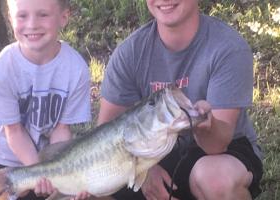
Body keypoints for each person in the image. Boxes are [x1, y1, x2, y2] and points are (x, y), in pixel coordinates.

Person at [98, 0, 263, 199]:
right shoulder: (130, 52)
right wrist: (145, 169)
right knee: (92, 188)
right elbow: (104, 137)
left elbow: (217, 145)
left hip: (221, 153)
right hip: (155, 154)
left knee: (214, 180)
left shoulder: (227, 47)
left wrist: (204, 127)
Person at [0, 0, 91, 199]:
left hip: (49, 156)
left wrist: (53, 173)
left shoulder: (76, 69)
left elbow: (62, 129)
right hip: (5, 156)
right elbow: (13, 131)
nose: (32, 24)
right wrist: (40, 173)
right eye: (22, 16)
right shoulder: (2, 69)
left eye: (43, 15)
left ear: (64, 17)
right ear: (10, 18)